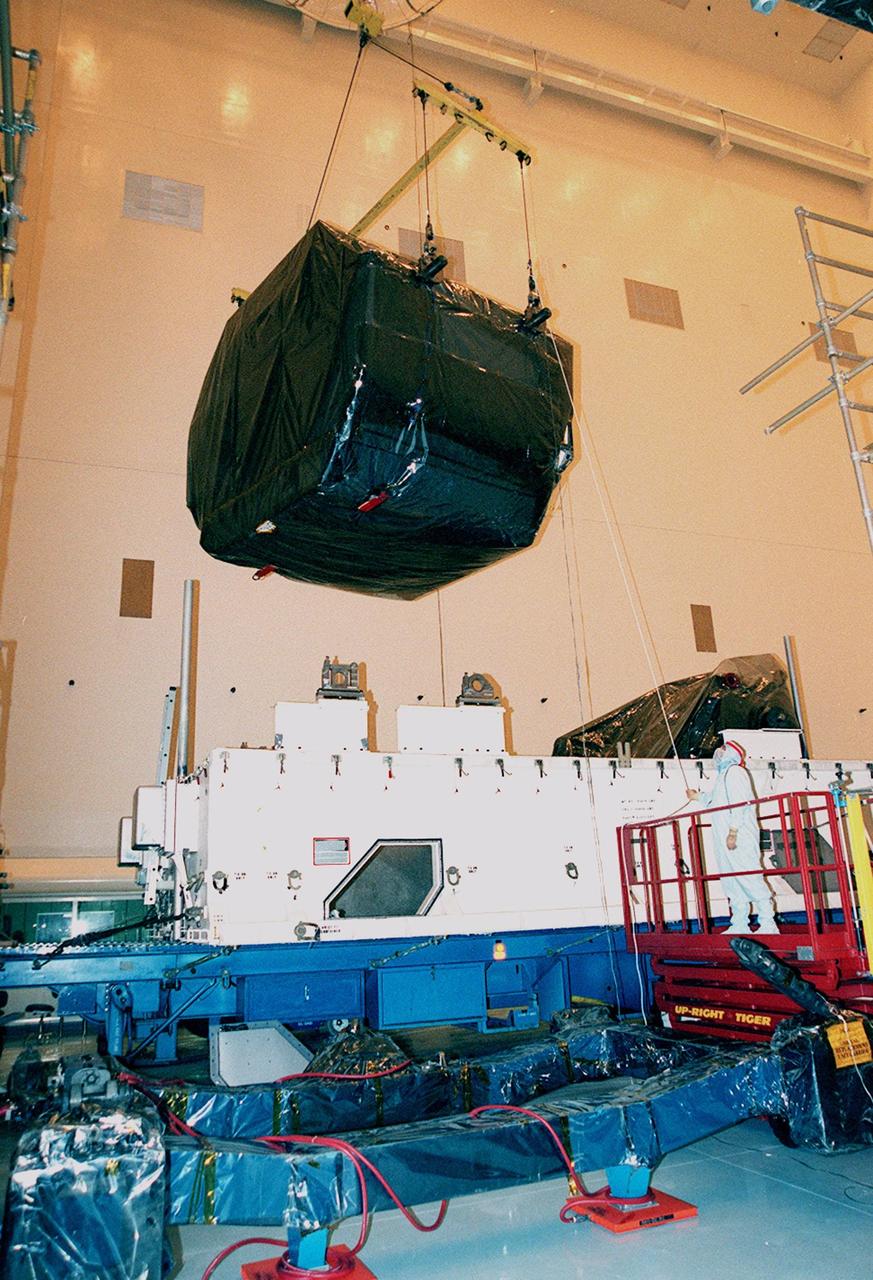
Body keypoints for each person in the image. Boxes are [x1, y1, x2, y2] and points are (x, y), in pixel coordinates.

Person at [685, 740, 778, 934]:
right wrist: (698, 797)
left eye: (724, 749)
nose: (719, 752)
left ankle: (768, 923)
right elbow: (716, 801)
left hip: (739, 835)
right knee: (732, 880)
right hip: (724, 838)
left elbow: (740, 803)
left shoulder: (736, 772)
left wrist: (733, 831)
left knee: (749, 875)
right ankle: (739, 923)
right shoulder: (723, 777)